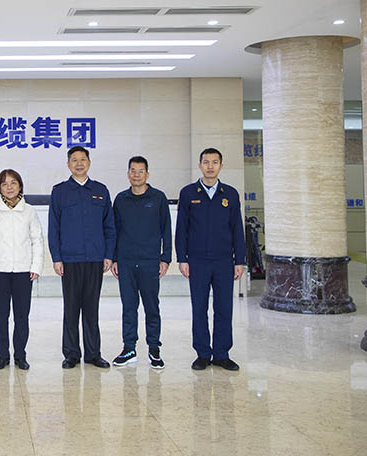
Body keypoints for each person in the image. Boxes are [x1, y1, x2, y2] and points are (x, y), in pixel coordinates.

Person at [176, 148, 246, 371]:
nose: (210, 166)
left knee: (224, 308)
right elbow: (181, 229)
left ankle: (222, 354)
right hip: (197, 261)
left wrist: (239, 260)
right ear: (200, 165)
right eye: (206, 162)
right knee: (199, 308)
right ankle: (203, 354)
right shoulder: (188, 193)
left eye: (215, 162)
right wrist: (182, 258)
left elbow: (237, 229)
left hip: (224, 261)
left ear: (221, 166)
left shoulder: (230, 194)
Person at [48, 146, 115, 369]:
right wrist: (56, 257)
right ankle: (71, 354)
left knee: (91, 308)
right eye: (74, 160)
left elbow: (109, 226)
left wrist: (108, 255)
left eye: (83, 159)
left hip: (95, 258)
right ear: (68, 164)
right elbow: (54, 227)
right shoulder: (60, 192)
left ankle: (93, 354)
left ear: (89, 163)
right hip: (70, 259)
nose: (79, 163)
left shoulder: (101, 190)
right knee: (71, 308)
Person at [0, 169, 43, 371]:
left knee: (22, 316)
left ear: (20, 186)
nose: (9, 187)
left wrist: (36, 266)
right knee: (1, 316)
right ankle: (2, 356)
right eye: (4, 184)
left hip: (24, 271)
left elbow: (37, 241)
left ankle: (20, 355)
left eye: (13, 183)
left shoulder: (29, 211)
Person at [110, 156, 171, 369]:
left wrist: (165, 258)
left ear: (147, 174)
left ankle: (154, 349)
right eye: (133, 171)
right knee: (129, 307)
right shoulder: (120, 199)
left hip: (150, 261)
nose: (136, 175)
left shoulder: (158, 198)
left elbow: (166, 229)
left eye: (140, 171)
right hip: (126, 262)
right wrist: (114, 258)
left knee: (152, 307)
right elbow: (114, 231)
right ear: (128, 174)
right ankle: (129, 349)